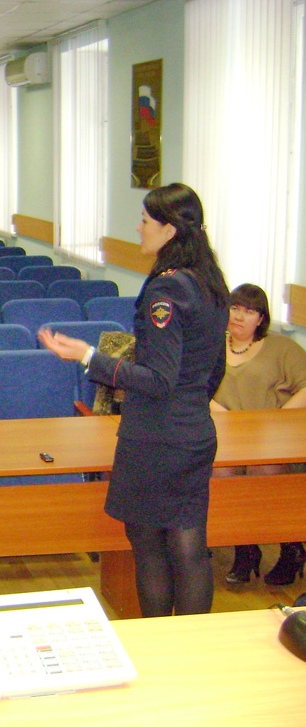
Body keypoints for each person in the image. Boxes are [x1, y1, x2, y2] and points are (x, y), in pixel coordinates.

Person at [39, 183, 229, 618]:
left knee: (150, 546)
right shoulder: (209, 282)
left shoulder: (166, 291)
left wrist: (88, 356)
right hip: (194, 431)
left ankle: (159, 642)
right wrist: (189, 403)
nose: (138, 227)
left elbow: (158, 380)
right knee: (189, 543)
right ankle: (196, 643)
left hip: (156, 439)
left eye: (145, 220)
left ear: (169, 230)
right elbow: (214, 370)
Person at [210, 283, 306, 585]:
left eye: (249, 312)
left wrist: (279, 418)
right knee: (221, 474)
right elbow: (193, 385)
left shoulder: (282, 347)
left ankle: (291, 549)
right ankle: (245, 550)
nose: (239, 316)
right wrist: (215, 408)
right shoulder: (211, 344)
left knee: (264, 472)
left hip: (272, 440)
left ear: (261, 319)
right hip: (225, 437)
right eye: (234, 308)